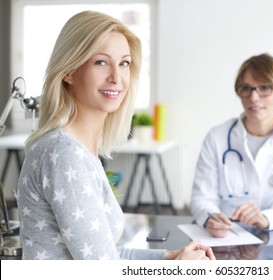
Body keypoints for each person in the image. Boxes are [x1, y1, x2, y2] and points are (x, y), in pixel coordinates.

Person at [17, 10, 214, 260]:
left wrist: (168, 258)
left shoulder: (81, 148)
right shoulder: (64, 153)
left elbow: (105, 255)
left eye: (124, 63)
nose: (117, 78)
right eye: (101, 62)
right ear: (68, 71)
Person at [190, 53, 273, 237]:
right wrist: (211, 217)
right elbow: (201, 198)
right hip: (228, 239)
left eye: (264, 88)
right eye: (246, 88)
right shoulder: (217, 137)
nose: (254, 97)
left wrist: (266, 218)